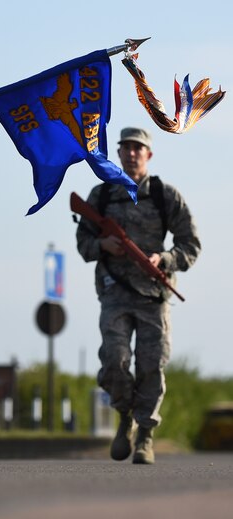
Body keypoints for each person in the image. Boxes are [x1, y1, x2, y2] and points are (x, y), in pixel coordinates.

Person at [75, 127, 201, 464]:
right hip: (115, 294)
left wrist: (166, 259)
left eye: (138, 148)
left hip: (154, 296)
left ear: (148, 155)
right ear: (118, 154)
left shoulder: (165, 196)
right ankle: (125, 417)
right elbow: (83, 244)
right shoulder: (102, 196)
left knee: (151, 366)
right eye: (126, 148)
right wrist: (103, 245)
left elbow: (191, 244)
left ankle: (145, 435)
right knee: (114, 362)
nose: (131, 154)